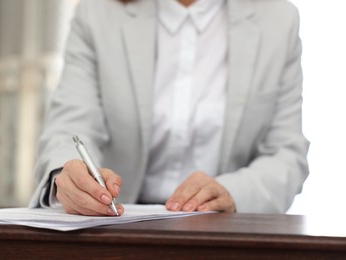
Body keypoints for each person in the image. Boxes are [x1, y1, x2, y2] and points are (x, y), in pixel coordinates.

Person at [29, 0, 309, 216]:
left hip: (222, 232)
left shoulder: (278, 19)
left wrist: (233, 192)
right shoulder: (98, 12)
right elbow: (70, 126)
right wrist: (68, 176)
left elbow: (286, 154)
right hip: (116, 227)